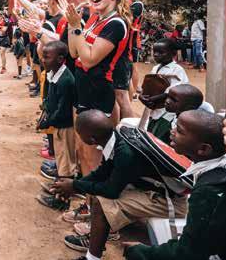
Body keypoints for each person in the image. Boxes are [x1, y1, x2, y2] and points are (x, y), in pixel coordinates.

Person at [51, 109, 187, 260]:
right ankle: (98, 236)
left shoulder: (124, 153)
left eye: (79, 133)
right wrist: (74, 184)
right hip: (155, 191)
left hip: (169, 202)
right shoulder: (117, 137)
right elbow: (103, 172)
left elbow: (111, 191)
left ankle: (92, 257)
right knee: (99, 193)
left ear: (91, 139)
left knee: (101, 203)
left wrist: (74, 186)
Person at [124, 110, 226, 259]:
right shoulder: (220, 170)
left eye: (179, 131)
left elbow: (188, 252)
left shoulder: (208, 191)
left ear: (203, 149)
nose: (172, 131)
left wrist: (139, 251)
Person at [36, 41, 77, 212]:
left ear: (60, 59)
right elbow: (51, 100)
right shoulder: (54, 74)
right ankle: (58, 189)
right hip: (58, 125)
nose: (43, 59)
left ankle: (62, 200)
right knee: (61, 161)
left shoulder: (65, 80)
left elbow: (63, 110)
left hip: (65, 127)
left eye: (47, 57)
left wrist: (48, 122)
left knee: (66, 165)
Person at [112, 0, 142, 121]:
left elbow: (125, 20)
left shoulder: (135, 3)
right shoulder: (118, 1)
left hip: (128, 47)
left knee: (122, 91)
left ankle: (129, 125)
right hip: (116, 47)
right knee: (120, 89)